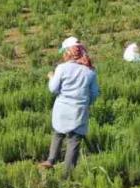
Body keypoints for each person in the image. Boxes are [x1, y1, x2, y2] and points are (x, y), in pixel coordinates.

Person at [41, 37, 100, 177]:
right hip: (79, 111)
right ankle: (67, 174)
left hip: (61, 109)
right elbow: (94, 94)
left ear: (68, 52)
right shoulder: (90, 72)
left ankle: (51, 159)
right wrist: (85, 102)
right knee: (74, 140)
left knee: (58, 132)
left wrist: (51, 77)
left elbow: (53, 89)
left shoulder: (61, 68)